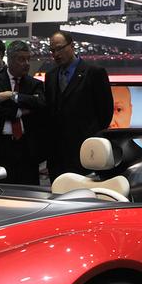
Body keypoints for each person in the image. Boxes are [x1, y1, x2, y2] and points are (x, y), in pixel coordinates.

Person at [43, 30, 113, 178]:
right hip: (57, 156)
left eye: (60, 48)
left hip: (85, 152)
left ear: (72, 46)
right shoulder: (50, 76)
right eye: (52, 50)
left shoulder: (94, 73)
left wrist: (91, 137)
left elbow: (106, 112)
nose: (56, 54)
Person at [0, 40, 46, 185]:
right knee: (0, 190)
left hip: (27, 148)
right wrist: (18, 112)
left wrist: (12, 96)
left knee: (28, 190)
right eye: (21, 59)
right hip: (0, 147)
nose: (26, 63)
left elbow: (40, 104)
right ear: (9, 60)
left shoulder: (35, 84)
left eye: (28, 59)